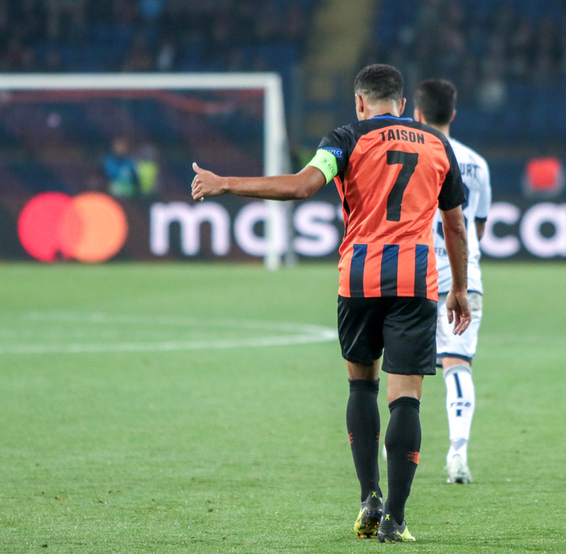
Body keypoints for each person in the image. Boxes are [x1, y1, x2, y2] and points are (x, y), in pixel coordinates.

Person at [190, 64, 472, 543]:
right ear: (403, 105)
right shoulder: (437, 143)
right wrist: (459, 288)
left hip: (359, 278)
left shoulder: (344, 138)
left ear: (360, 102)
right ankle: (395, 520)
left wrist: (226, 183)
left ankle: (369, 497)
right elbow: (455, 225)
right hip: (415, 281)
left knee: (361, 387)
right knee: (406, 398)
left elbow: (301, 186)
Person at [413, 79, 491, 485]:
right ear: (453, 114)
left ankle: (395, 447)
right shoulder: (477, 163)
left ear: (417, 114)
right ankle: (458, 454)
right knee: (458, 364)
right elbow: (475, 228)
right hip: (464, 278)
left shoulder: (411, 154)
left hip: (414, 275)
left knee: (403, 366)